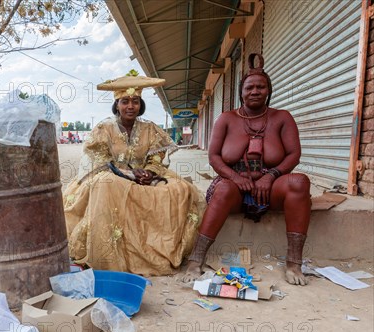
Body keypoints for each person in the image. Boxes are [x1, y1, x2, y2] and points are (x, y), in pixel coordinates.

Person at [183, 54, 311, 285]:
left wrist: (271, 176)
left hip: (270, 187)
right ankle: (195, 259)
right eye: (249, 87)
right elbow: (214, 157)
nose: (255, 91)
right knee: (223, 189)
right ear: (240, 92)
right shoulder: (226, 119)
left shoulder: (282, 118)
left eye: (261, 87)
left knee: (299, 182)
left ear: (269, 91)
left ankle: (294, 262)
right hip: (234, 187)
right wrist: (233, 177)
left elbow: (294, 154)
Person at [63, 71, 206, 276]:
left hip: (145, 178)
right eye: (125, 101)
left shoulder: (150, 129)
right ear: (117, 105)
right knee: (105, 185)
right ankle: (107, 256)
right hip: (111, 177)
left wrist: (148, 172)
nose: (131, 106)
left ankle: (160, 250)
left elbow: (156, 160)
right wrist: (128, 175)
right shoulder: (103, 128)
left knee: (180, 189)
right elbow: (101, 162)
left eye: (136, 101)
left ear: (141, 105)